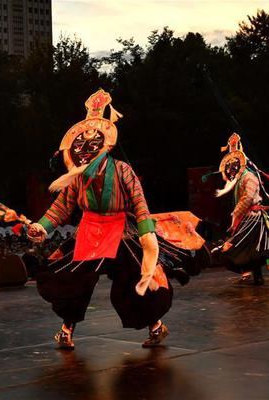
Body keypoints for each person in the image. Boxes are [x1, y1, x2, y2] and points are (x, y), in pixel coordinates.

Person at [27, 89, 172, 350]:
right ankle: (66, 330)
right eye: (80, 145)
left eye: (92, 146)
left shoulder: (121, 170)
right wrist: (42, 226)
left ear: (104, 146)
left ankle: (156, 326)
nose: (84, 151)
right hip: (90, 231)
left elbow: (139, 203)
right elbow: (62, 205)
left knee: (134, 281)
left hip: (121, 231)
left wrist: (146, 234)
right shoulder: (77, 176)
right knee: (73, 280)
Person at [213, 133, 269, 285]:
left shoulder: (250, 177)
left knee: (251, 250)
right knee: (247, 250)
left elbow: (247, 199)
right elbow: (236, 158)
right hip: (244, 217)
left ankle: (254, 274)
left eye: (233, 168)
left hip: (253, 217)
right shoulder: (239, 178)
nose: (230, 172)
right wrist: (233, 147)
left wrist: (236, 214)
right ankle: (249, 272)